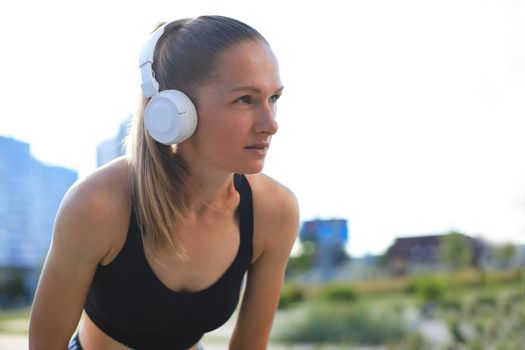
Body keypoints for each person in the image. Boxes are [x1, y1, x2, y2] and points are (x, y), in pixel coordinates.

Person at [29, 15, 299, 350]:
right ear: (175, 109)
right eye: (245, 99)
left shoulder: (275, 211)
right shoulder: (98, 205)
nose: (270, 124)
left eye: (274, 98)